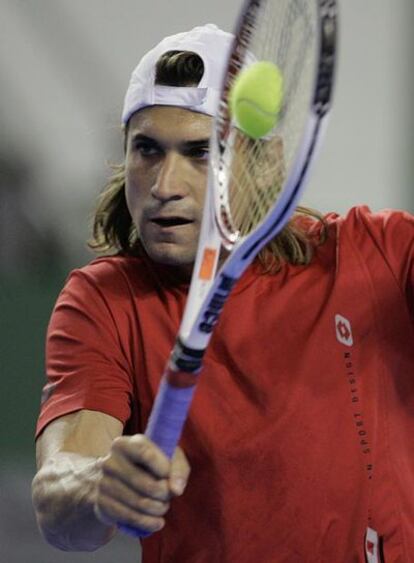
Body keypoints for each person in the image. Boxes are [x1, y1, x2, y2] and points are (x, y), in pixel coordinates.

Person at [31, 23, 414, 563]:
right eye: (147, 150)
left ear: (267, 165)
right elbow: (58, 499)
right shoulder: (103, 301)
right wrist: (100, 484)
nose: (166, 184)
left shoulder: (377, 254)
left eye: (200, 153)